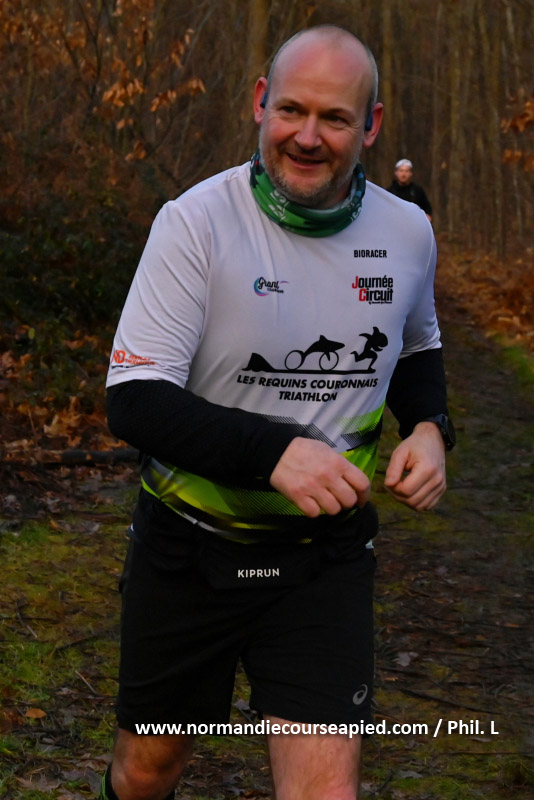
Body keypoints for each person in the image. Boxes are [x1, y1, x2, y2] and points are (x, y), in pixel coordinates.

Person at [102, 24, 454, 800]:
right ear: (260, 102)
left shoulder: (407, 231)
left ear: (371, 125)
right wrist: (273, 452)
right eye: (292, 109)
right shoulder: (195, 221)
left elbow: (416, 346)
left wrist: (431, 427)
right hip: (189, 548)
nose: (307, 136)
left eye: (335, 118)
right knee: (148, 770)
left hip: (325, 558)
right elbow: (134, 398)